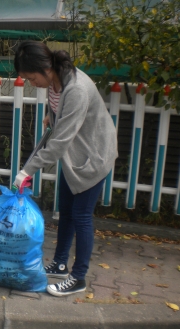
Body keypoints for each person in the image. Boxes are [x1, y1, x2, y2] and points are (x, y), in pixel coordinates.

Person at [13, 41, 118, 297]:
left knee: (81, 216)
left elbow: (58, 145)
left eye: (30, 77)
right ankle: (60, 264)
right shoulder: (55, 80)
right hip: (76, 155)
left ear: (45, 67)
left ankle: (78, 277)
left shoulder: (77, 89)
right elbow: (58, 104)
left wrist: (27, 171)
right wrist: (52, 115)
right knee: (66, 211)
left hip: (93, 156)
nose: (30, 82)